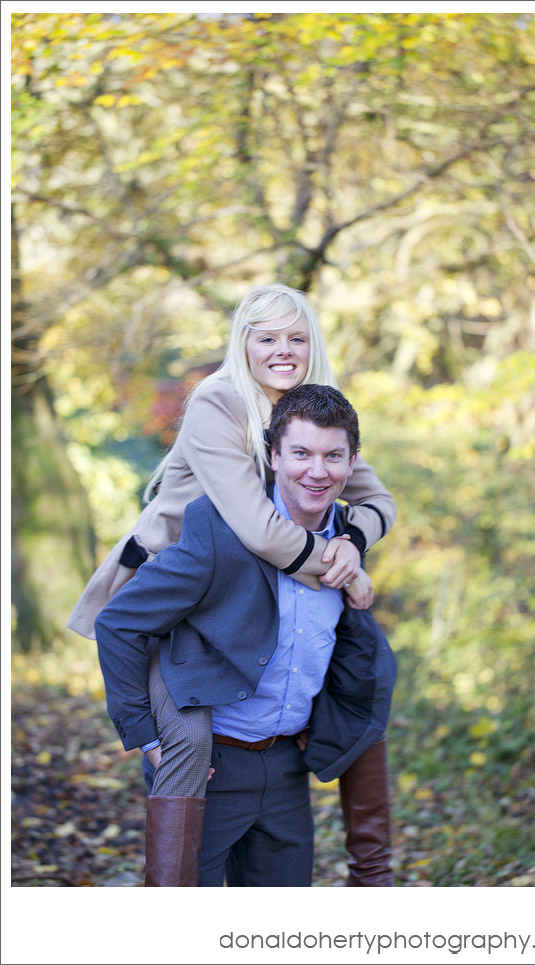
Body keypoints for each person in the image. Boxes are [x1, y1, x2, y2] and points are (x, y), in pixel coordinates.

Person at [68, 283, 397, 885]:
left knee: (360, 672)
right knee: (189, 740)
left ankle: (372, 874)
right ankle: (174, 886)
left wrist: (353, 544)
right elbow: (260, 531)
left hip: (254, 587)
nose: (282, 349)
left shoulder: (310, 413)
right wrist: (340, 571)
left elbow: (376, 500)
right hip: (178, 585)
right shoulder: (219, 401)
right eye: (266, 337)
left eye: (296, 337)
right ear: (242, 343)